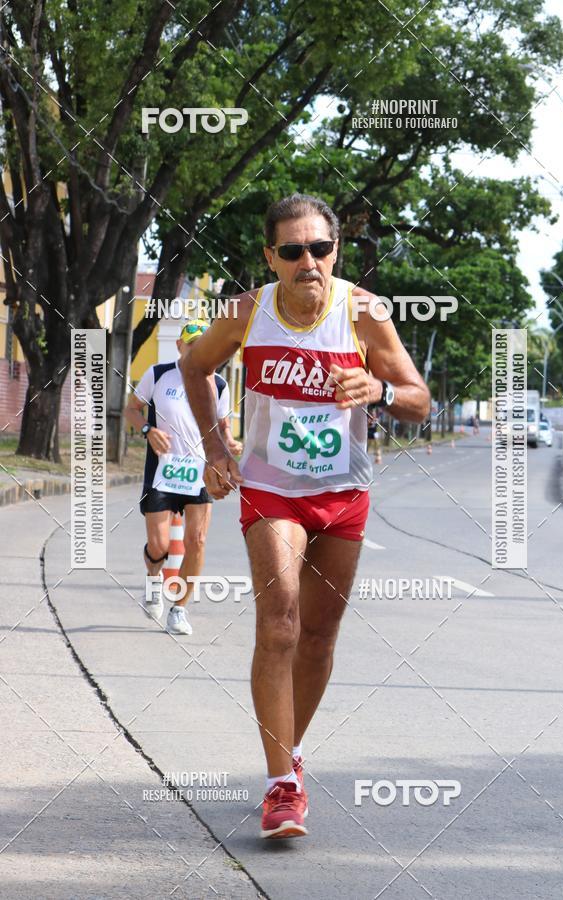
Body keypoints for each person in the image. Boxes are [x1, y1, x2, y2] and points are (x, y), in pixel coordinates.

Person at [180, 194, 430, 838]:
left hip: (344, 491)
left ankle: (287, 752)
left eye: (319, 248)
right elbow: (195, 365)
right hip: (271, 489)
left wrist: (381, 390)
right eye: (292, 251)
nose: (307, 262)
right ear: (271, 257)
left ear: (335, 251)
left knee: (319, 635)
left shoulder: (363, 312)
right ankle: (282, 787)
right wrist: (215, 445)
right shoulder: (247, 313)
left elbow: (419, 401)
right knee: (282, 617)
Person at [125, 319, 239, 635]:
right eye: (192, 345)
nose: (197, 352)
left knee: (197, 541)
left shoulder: (218, 385)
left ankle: (179, 609)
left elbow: (224, 428)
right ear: (180, 346)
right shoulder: (159, 375)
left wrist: (230, 444)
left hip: (200, 473)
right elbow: (131, 410)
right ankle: (152, 578)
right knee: (159, 546)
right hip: (162, 472)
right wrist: (148, 430)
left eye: (203, 346)